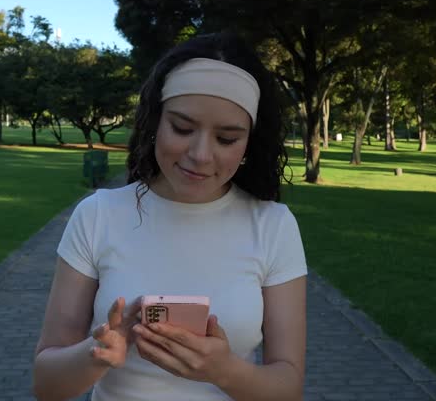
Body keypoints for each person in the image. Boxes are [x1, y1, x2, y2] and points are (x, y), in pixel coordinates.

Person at [32, 32, 308, 401]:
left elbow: (288, 388)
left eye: (227, 139)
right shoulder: (98, 215)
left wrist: (224, 371)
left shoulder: (273, 226)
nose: (201, 155)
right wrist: (96, 354)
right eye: (182, 128)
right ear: (155, 122)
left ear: (249, 144)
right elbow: (47, 385)